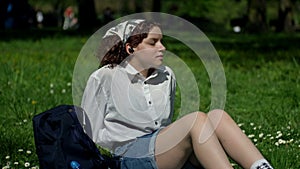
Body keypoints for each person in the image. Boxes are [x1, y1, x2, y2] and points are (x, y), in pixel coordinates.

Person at [81, 19, 273, 169]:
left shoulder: (167, 75)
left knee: (217, 116)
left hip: (161, 148)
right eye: (153, 42)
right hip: (126, 157)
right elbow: (88, 132)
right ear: (131, 48)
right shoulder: (105, 77)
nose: (162, 47)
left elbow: (163, 125)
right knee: (196, 120)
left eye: (162, 41)